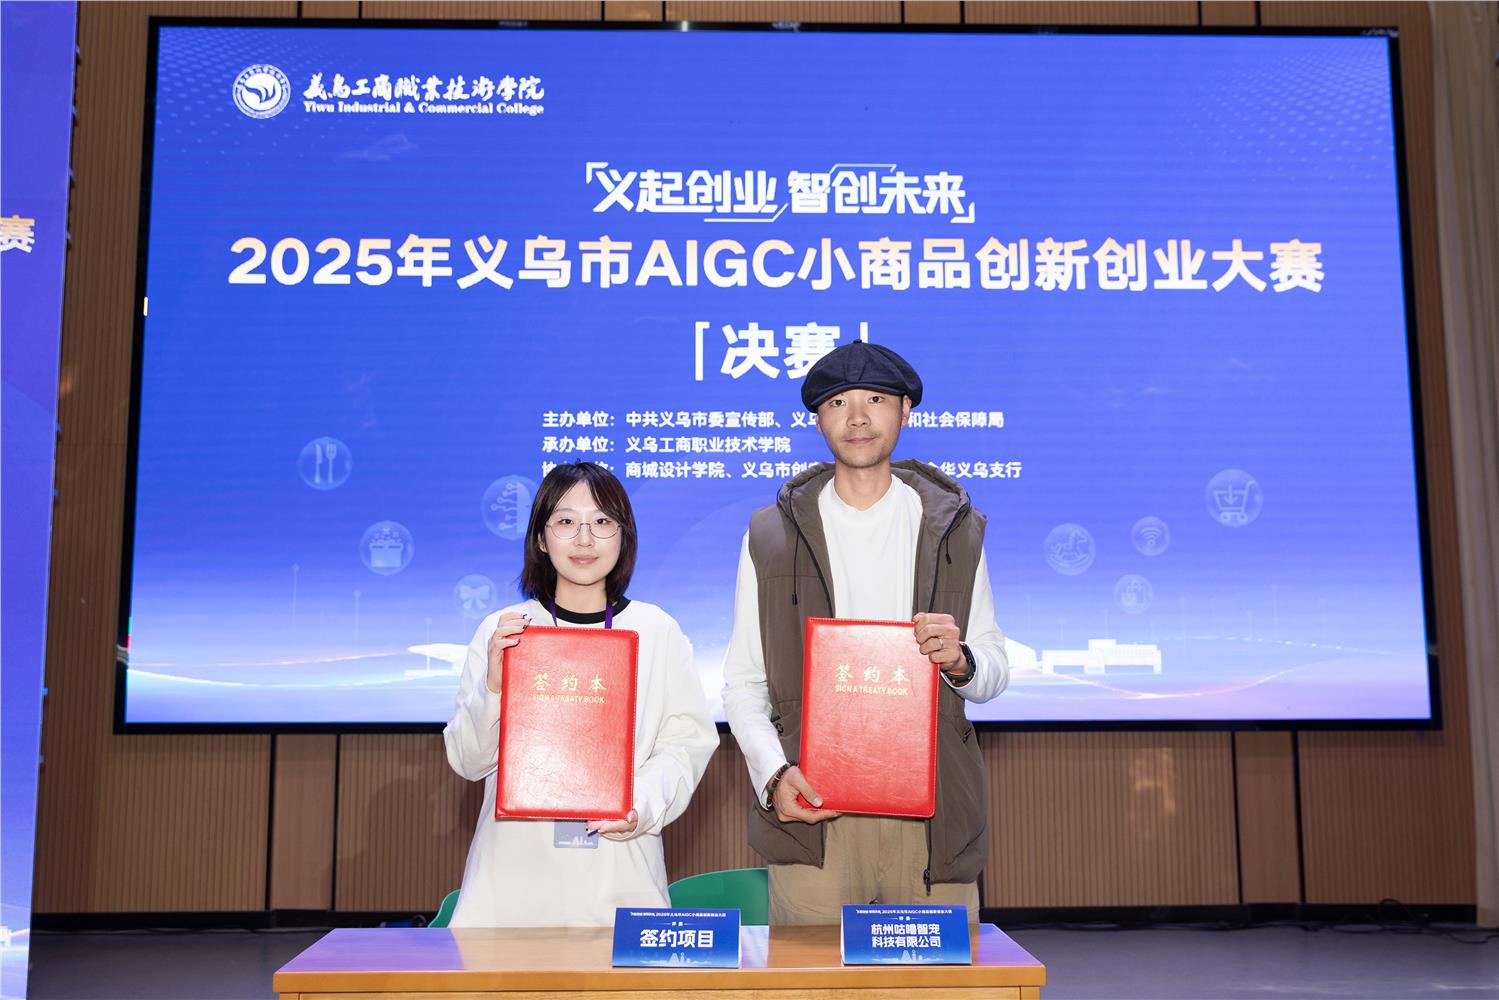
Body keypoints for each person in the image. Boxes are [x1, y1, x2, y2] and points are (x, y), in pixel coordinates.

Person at [722, 341, 1009, 925]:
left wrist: (961, 661)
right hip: (815, 809)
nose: (857, 417)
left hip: (931, 812)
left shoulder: (955, 529)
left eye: (875, 400)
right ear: (818, 420)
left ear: (905, 411)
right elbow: (743, 683)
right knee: (810, 974)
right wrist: (773, 775)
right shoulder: (770, 536)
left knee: (938, 975)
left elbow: (993, 668)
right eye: (837, 403)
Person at [444, 461, 718, 927]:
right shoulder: (505, 630)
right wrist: (494, 686)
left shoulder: (656, 630)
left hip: (619, 874)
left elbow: (685, 746)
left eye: (602, 521)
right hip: (510, 886)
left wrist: (638, 805)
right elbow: (468, 761)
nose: (585, 539)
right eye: (566, 521)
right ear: (540, 537)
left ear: (624, 536)